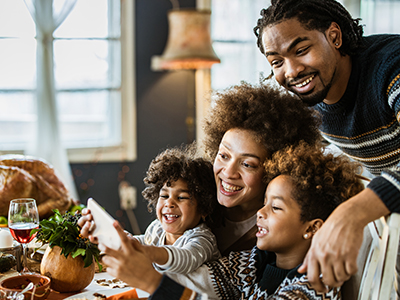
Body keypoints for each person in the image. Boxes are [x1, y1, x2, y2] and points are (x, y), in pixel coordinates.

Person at [253, 0, 400, 292]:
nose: (292, 71)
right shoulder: (306, 102)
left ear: (334, 36)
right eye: (276, 62)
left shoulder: (392, 67)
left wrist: (352, 213)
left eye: (301, 50)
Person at [102, 142, 365, 300]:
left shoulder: (314, 287)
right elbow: (197, 280)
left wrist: (152, 282)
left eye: (274, 207)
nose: (260, 214)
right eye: (264, 204)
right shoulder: (251, 262)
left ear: (312, 227)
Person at [199, 82, 321, 256]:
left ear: (275, 169)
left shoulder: (280, 231)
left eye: (247, 164)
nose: (228, 172)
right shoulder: (194, 199)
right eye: (224, 156)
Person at [81, 144, 221, 275]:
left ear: (204, 208)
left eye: (181, 197)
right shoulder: (157, 228)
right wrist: (119, 237)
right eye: (164, 195)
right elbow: (143, 241)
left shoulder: (203, 239)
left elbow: (184, 259)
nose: (169, 203)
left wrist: (143, 251)